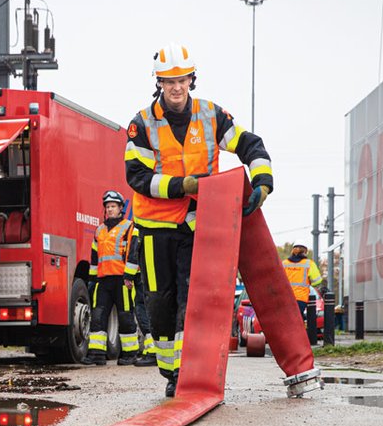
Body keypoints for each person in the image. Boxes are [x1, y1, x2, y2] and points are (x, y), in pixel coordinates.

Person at [124, 43, 321, 398]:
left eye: (182, 80)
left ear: (191, 79)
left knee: (191, 299)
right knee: (159, 303)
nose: (176, 88)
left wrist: (262, 181)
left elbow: (250, 144)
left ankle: (186, 374)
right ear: (159, 83)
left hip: (196, 224)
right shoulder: (142, 123)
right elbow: (137, 177)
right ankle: (169, 369)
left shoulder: (211, 115)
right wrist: (182, 186)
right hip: (155, 228)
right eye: (169, 81)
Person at [83, 190, 141, 365]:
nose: (109, 209)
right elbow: (95, 257)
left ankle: (130, 354)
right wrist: (92, 280)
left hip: (122, 280)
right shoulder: (99, 230)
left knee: (125, 316)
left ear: (121, 208)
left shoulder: (129, 227)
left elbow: (133, 253)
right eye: (107, 207)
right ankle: (97, 354)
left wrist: (129, 276)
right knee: (98, 316)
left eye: (113, 206)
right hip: (103, 281)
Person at [282, 243, 325, 324]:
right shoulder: (309, 263)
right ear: (305, 251)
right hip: (301, 297)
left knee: (288, 320)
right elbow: (317, 281)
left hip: (286, 297)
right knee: (297, 320)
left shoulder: (284, 263)